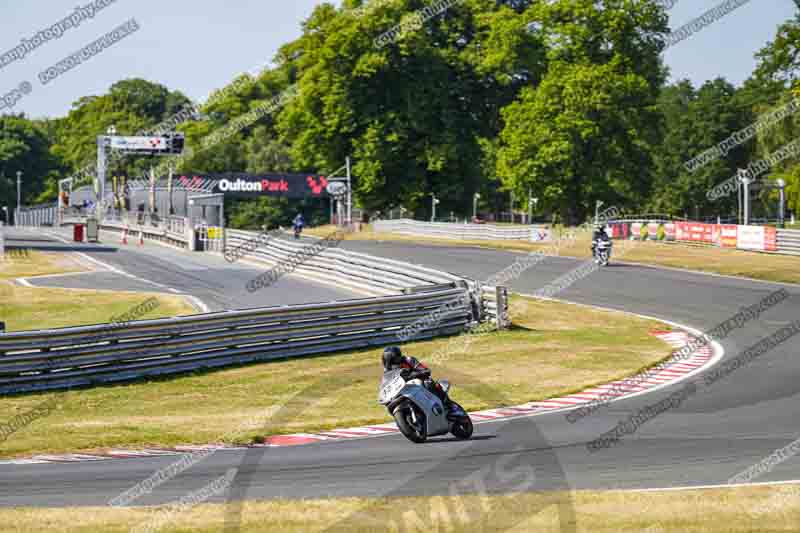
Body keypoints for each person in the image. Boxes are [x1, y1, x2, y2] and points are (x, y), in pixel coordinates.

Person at [382, 346, 455, 415]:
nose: (394, 363)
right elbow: (386, 385)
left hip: (418, 384)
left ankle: (449, 405)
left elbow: (425, 370)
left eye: (394, 360)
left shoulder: (409, 360)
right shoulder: (387, 372)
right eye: (390, 361)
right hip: (404, 389)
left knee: (428, 382)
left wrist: (417, 374)